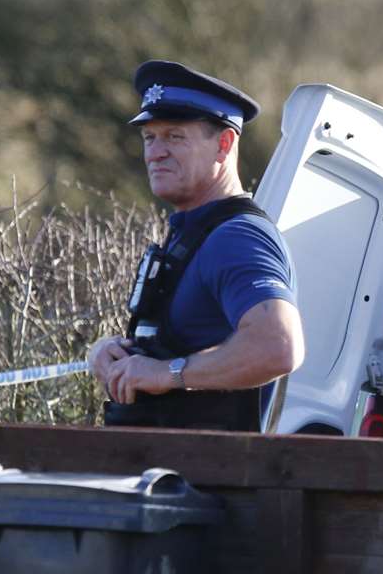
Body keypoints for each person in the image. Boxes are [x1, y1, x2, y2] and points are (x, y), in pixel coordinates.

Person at [89, 60, 304, 430]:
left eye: (174, 136)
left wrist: (167, 373)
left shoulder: (238, 237)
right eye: (149, 138)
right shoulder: (194, 231)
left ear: (224, 144)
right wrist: (111, 354)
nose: (155, 153)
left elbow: (279, 346)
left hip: (208, 482)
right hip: (168, 476)